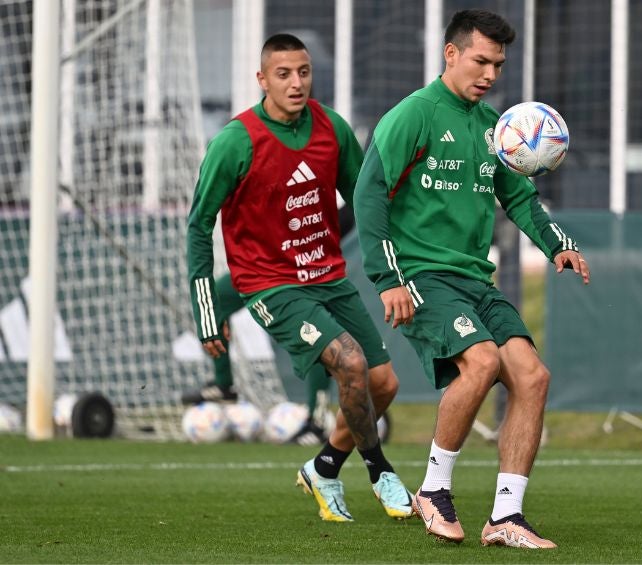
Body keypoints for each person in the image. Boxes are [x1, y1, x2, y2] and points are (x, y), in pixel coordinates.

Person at [354, 9, 590, 549]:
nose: (489, 74)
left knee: (532, 377)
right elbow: (370, 195)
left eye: (498, 64)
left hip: (474, 281)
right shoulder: (412, 115)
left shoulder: (494, 130)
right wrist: (387, 277)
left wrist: (560, 245)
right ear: (451, 53)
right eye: (480, 60)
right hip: (421, 275)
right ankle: (434, 490)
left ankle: (506, 516)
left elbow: (521, 199)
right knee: (481, 361)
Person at [186, 33, 414, 522]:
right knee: (350, 364)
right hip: (270, 284)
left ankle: (325, 468)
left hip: (329, 277)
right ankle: (380, 471)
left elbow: (364, 201)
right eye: (284, 74)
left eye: (304, 72)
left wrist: (401, 264)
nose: (296, 83)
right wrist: (207, 314)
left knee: (384, 383)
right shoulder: (235, 141)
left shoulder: (331, 128)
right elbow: (198, 225)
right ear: (262, 79)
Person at [181, 271, 334, 446]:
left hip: (300, 262)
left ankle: (318, 422)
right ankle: (223, 385)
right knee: (216, 298)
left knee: (312, 331)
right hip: (263, 261)